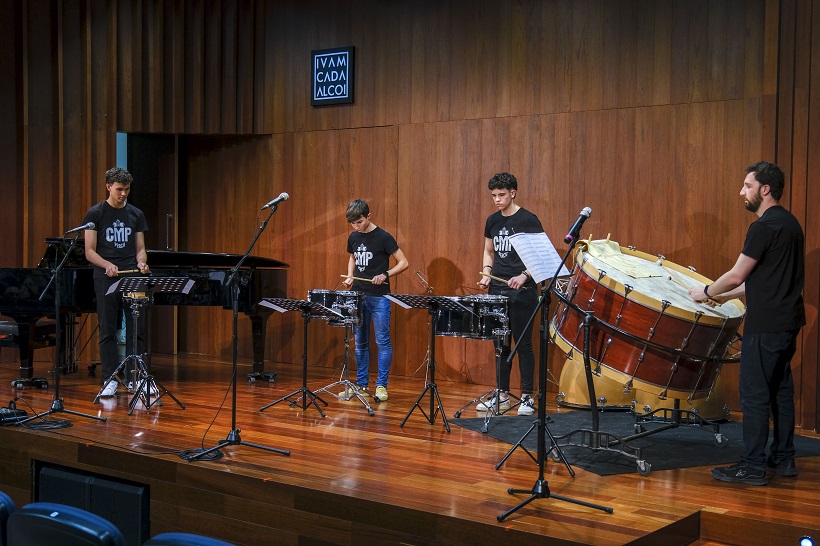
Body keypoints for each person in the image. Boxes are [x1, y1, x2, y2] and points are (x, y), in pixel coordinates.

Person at [689, 161, 805, 486]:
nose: (742, 191)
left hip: (765, 324)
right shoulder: (791, 224)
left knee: (754, 395)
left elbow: (739, 273)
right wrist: (726, 298)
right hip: (787, 323)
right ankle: (783, 459)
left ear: (764, 189)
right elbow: (765, 279)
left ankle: (752, 466)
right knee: (780, 392)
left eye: (747, 186)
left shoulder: (763, 226)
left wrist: (708, 291)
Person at [476, 172, 542, 416]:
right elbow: (489, 252)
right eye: (493, 195)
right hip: (498, 290)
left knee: (523, 345)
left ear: (513, 193)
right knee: (500, 345)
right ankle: (502, 393)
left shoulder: (528, 219)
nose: (497, 200)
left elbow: (538, 255)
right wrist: (486, 273)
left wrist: (524, 275)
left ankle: (526, 396)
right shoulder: (492, 221)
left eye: (501, 195)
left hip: (522, 291)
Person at [83, 167, 150, 397]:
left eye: (127, 189)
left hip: (132, 275)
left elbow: (140, 249)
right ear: (108, 186)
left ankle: (137, 377)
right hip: (106, 277)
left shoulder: (136, 214)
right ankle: (109, 378)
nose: (123, 194)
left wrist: (142, 262)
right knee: (108, 329)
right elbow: (89, 252)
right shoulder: (95, 213)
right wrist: (106, 265)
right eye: (119, 189)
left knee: (136, 328)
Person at [342, 199, 408, 402]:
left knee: (382, 342)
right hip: (359, 296)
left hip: (379, 298)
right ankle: (362, 385)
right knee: (360, 343)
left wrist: (385, 274)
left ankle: (381, 386)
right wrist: (350, 275)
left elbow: (404, 262)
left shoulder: (384, 237)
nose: (356, 227)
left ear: (369, 216)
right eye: (353, 223)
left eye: (359, 222)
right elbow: (352, 257)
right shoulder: (353, 236)